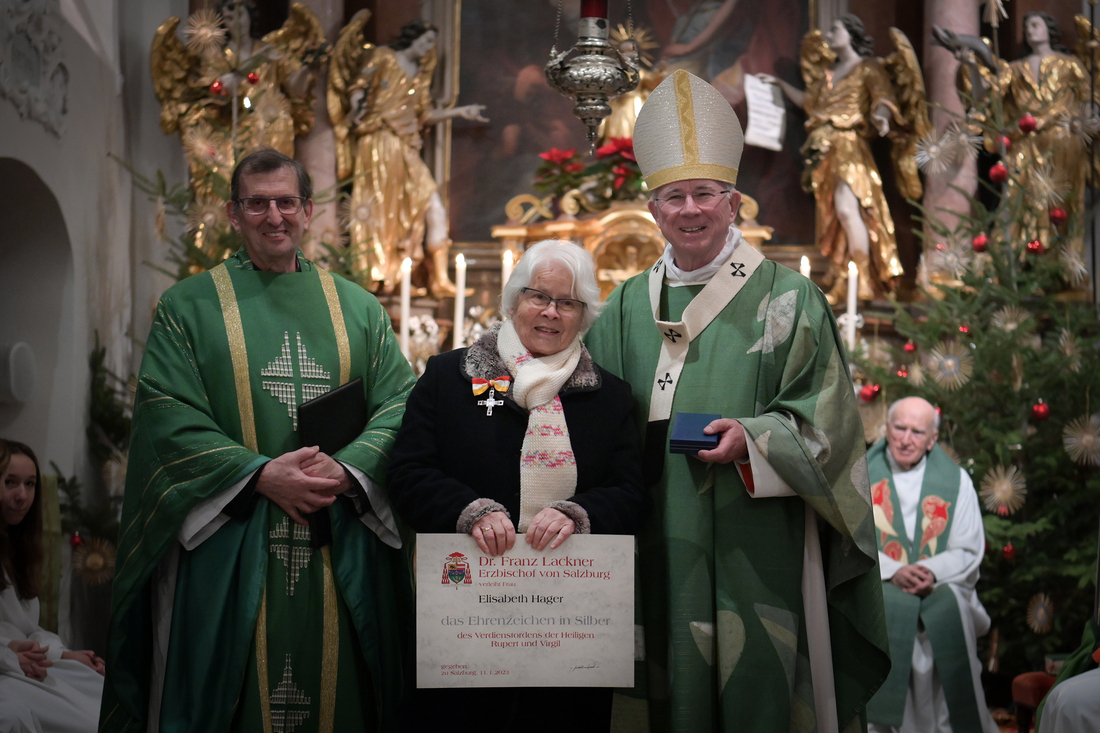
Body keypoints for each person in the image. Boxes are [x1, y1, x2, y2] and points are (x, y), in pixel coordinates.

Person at [584, 69, 889, 733]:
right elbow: (585, 417)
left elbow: (830, 420)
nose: (689, 209)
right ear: (653, 207)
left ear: (733, 203)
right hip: (649, 533)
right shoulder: (625, 307)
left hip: (758, 538)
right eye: (674, 197)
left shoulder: (789, 298)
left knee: (755, 682)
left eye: (703, 194)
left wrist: (754, 438)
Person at [99, 149, 417, 732]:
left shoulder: (360, 310)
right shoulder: (187, 308)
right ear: (233, 213)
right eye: (257, 203)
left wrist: (345, 473)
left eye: (286, 201)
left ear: (309, 210)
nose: (275, 216)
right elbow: (168, 414)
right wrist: (261, 475)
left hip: (336, 537)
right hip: (233, 543)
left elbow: (400, 405)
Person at [387, 239, 648, 731]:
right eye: (538, 296)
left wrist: (576, 513)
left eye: (567, 302)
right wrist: (471, 510)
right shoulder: (451, 376)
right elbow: (407, 472)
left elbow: (631, 493)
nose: (551, 312)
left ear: (584, 314)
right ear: (513, 301)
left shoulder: (609, 396)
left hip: (567, 620)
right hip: (468, 611)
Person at [329, 14, 488, 297]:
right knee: (379, 206)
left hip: (406, 145)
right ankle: (376, 274)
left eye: (432, 44)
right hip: (378, 140)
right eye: (426, 41)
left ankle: (418, 275)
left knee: (425, 203)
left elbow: (424, 114)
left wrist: (459, 112)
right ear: (412, 38)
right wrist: (357, 105)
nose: (429, 49)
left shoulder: (420, 74)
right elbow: (358, 87)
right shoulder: (383, 57)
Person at [865, 397, 999, 733]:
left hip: (938, 582)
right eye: (900, 428)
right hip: (880, 580)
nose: (906, 439)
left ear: (932, 439)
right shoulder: (861, 473)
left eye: (917, 431)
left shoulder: (956, 483)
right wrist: (894, 570)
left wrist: (931, 571)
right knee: (885, 608)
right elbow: (848, 541)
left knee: (951, 604)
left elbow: (968, 547)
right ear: (887, 428)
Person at [760, 14, 905, 302]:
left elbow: (883, 98)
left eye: (836, 29)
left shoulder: (868, 68)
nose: (830, 35)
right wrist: (778, 84)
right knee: (835, 217)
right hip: (823, 151)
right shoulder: (827, 73)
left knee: (848, 208)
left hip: (849, 146)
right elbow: (808, 103)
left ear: (852, 34)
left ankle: (864, 278)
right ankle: (845, 277)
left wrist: (882, 117)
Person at [955, 11, 1097, 264]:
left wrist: (1085, 124)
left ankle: (1060, 266)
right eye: (1027, 26)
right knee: (1017, 198)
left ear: (1049, 30)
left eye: (1035, 25)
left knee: (1061, 201)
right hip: (1025, 143)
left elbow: (1087, 97)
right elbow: (985, 98)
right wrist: (973, 67)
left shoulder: (1070, 64)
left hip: (1063, 139)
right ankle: (1017, 265)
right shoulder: (1015, 69)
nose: (1030, 30)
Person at [0, 439, 104, 732]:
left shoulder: (16, 547)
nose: (22, 495)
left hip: (20, 661)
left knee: (99, 689)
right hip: (7, 669)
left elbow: (26, 629)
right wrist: (11, 655)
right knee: (86, 720)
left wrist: (63, 654)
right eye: (10, 482)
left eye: (30, 484)